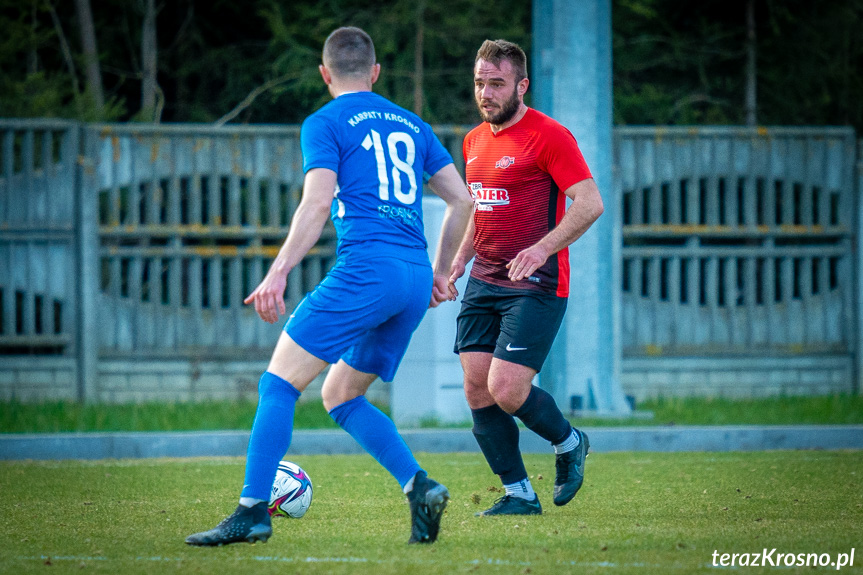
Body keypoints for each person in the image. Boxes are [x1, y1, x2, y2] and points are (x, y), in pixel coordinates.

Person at [185, 26, 473, 546]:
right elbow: (463, 201)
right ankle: (420, 487)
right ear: (376, 72)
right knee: (341, 395)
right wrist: (440, 271)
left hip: (368, 269)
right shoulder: (412, 123)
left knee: (278, 384)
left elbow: (318, 203)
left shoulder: (325, 121)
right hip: (410, 277)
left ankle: (252, 510)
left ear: (325, 74)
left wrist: (277, 272)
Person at [447, 39, 604, 516]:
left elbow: (591, 203)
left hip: (535, 284)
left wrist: (541, 249)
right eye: (480, 83)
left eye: (496, 83)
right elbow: (482, 211)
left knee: (507, 389)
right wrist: (457, 261)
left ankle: (569, 441)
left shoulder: (549, 136)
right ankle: (519, 494)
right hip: (485, 280)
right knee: (476, 387)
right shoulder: (473, 141)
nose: (486, 92)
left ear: (522, 85)